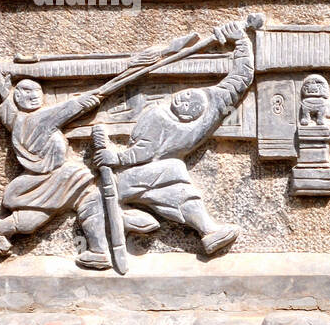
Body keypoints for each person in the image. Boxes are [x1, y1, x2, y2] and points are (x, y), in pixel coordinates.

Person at [93, 19, 254, 256]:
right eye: (187, 94)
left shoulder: (212, 106)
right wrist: (114, 158)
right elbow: (141, 152)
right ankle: (204, 230)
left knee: (173, 180)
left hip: (138, 176)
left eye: (190, 105)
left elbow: (241, 78)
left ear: (193, 116)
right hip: (124, 180)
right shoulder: (157, 115)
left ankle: (207, 231)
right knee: (173, 169)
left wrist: (241, 43)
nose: (183, 100)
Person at [0, 74, 112, 269]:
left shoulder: (15, 119)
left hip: (58, 176)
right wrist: (84, 101)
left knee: (86, 198)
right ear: (17, 96)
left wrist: (4, 92)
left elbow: (7, 110)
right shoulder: (38, 119)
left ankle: (98, 251)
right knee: (32, 222)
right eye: (26, 91)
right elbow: (66, 109)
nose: (34, 95)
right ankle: (0, 229)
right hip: (49, 177)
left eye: (37, 91)